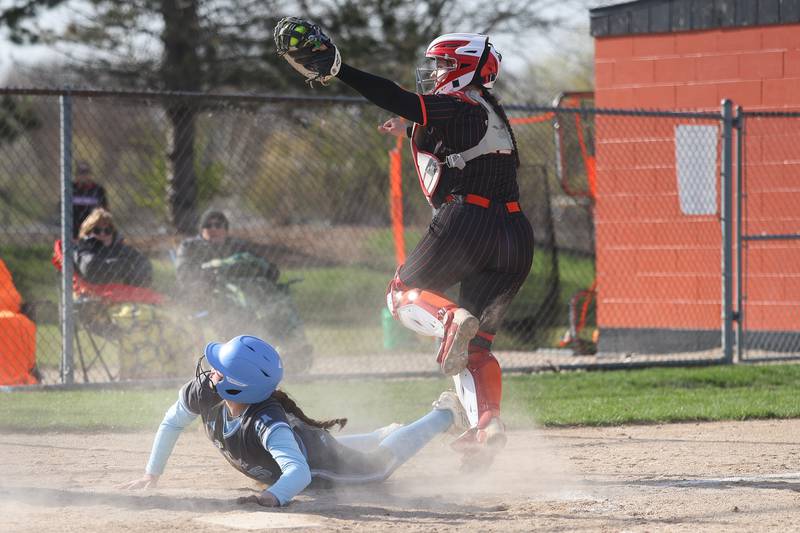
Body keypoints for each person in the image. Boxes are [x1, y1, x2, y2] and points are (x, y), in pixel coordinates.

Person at [274, 19, 534, 462]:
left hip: (470, 220)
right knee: (476, 350)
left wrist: (341, 70)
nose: (433, 72)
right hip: (515, 236)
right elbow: (461, 146)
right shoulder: (489, 112)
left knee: (399, 295)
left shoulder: (460, 103)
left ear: (463, 67)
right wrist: (412, 127)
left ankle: (449, 320)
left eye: (441, 64)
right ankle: (487, 426)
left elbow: (399, 97)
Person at [119, 335, 469, 506]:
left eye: (219, 372)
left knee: (378, 467)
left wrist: (272, 498)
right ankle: (380, 432)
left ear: (238, 389)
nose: (211, 374)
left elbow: (299, 474)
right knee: (316, 442)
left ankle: (445, 413)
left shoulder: (266, 424)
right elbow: (171, 423)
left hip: (326, 465)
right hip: (306, 445)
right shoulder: (206, 395)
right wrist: (152, 474)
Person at [175, 210, 280, 292]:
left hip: (238, 289)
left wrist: (268, 270)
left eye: (218, 225)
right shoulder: (190, 246)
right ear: (202, 231)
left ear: (225, 230)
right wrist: (206, 276)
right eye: (208, 225)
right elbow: (184, 273)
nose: (213, 229)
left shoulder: (238, 246)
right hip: (207, 291)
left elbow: (262, 264)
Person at [74, 208, 153, 287]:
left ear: (113, 232)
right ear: (88, 232)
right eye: (97, 230)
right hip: (91, 295)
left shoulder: (121, 248)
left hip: (124, 294)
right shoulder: (83, 247)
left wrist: (112, 267)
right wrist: (125, 266)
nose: (102, 234)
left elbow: (145, 265)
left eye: (108, 230)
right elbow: (91, 268)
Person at [72, 160, 108, 239]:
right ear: (76, 174)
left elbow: (104, 210)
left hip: (92, 229)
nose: (84, 175)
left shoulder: (98, 190)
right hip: (73, 228)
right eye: (81, 172)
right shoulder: (71, 189)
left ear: (90, 174)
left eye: (86, 172)